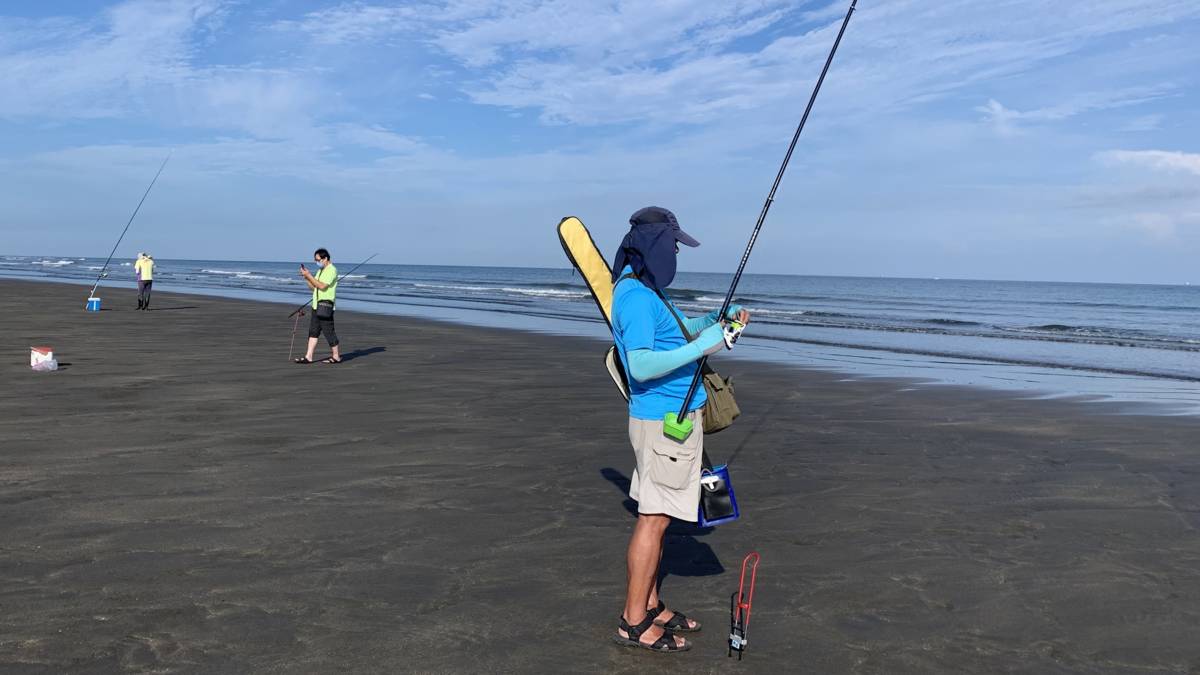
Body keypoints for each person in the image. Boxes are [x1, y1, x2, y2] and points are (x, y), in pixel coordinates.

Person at [609, 206, 751, 653]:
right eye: (672, 245)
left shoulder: (649, 293)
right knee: (653, 519)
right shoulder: (633, 297)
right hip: (661, 425)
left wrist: (711, 323)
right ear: (653, 245)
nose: (675, 253)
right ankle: (633, 621)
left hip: (673, 421)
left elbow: (676, 333)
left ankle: (650, 605)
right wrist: (708, 347)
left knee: (661, 514)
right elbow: (643, 365)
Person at [295, 248, 341, 364]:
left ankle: (336, 356)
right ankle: (308, 356)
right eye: (315, 260)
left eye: (318, 260)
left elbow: (322, 286)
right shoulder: (321, 270)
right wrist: (306, 277)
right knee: (313, 331)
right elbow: (313, 287)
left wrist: (309, 275)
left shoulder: (331, 270)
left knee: (328, 331)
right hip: (316, 305)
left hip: (325, 306)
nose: (317, 262)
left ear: (325, 258)